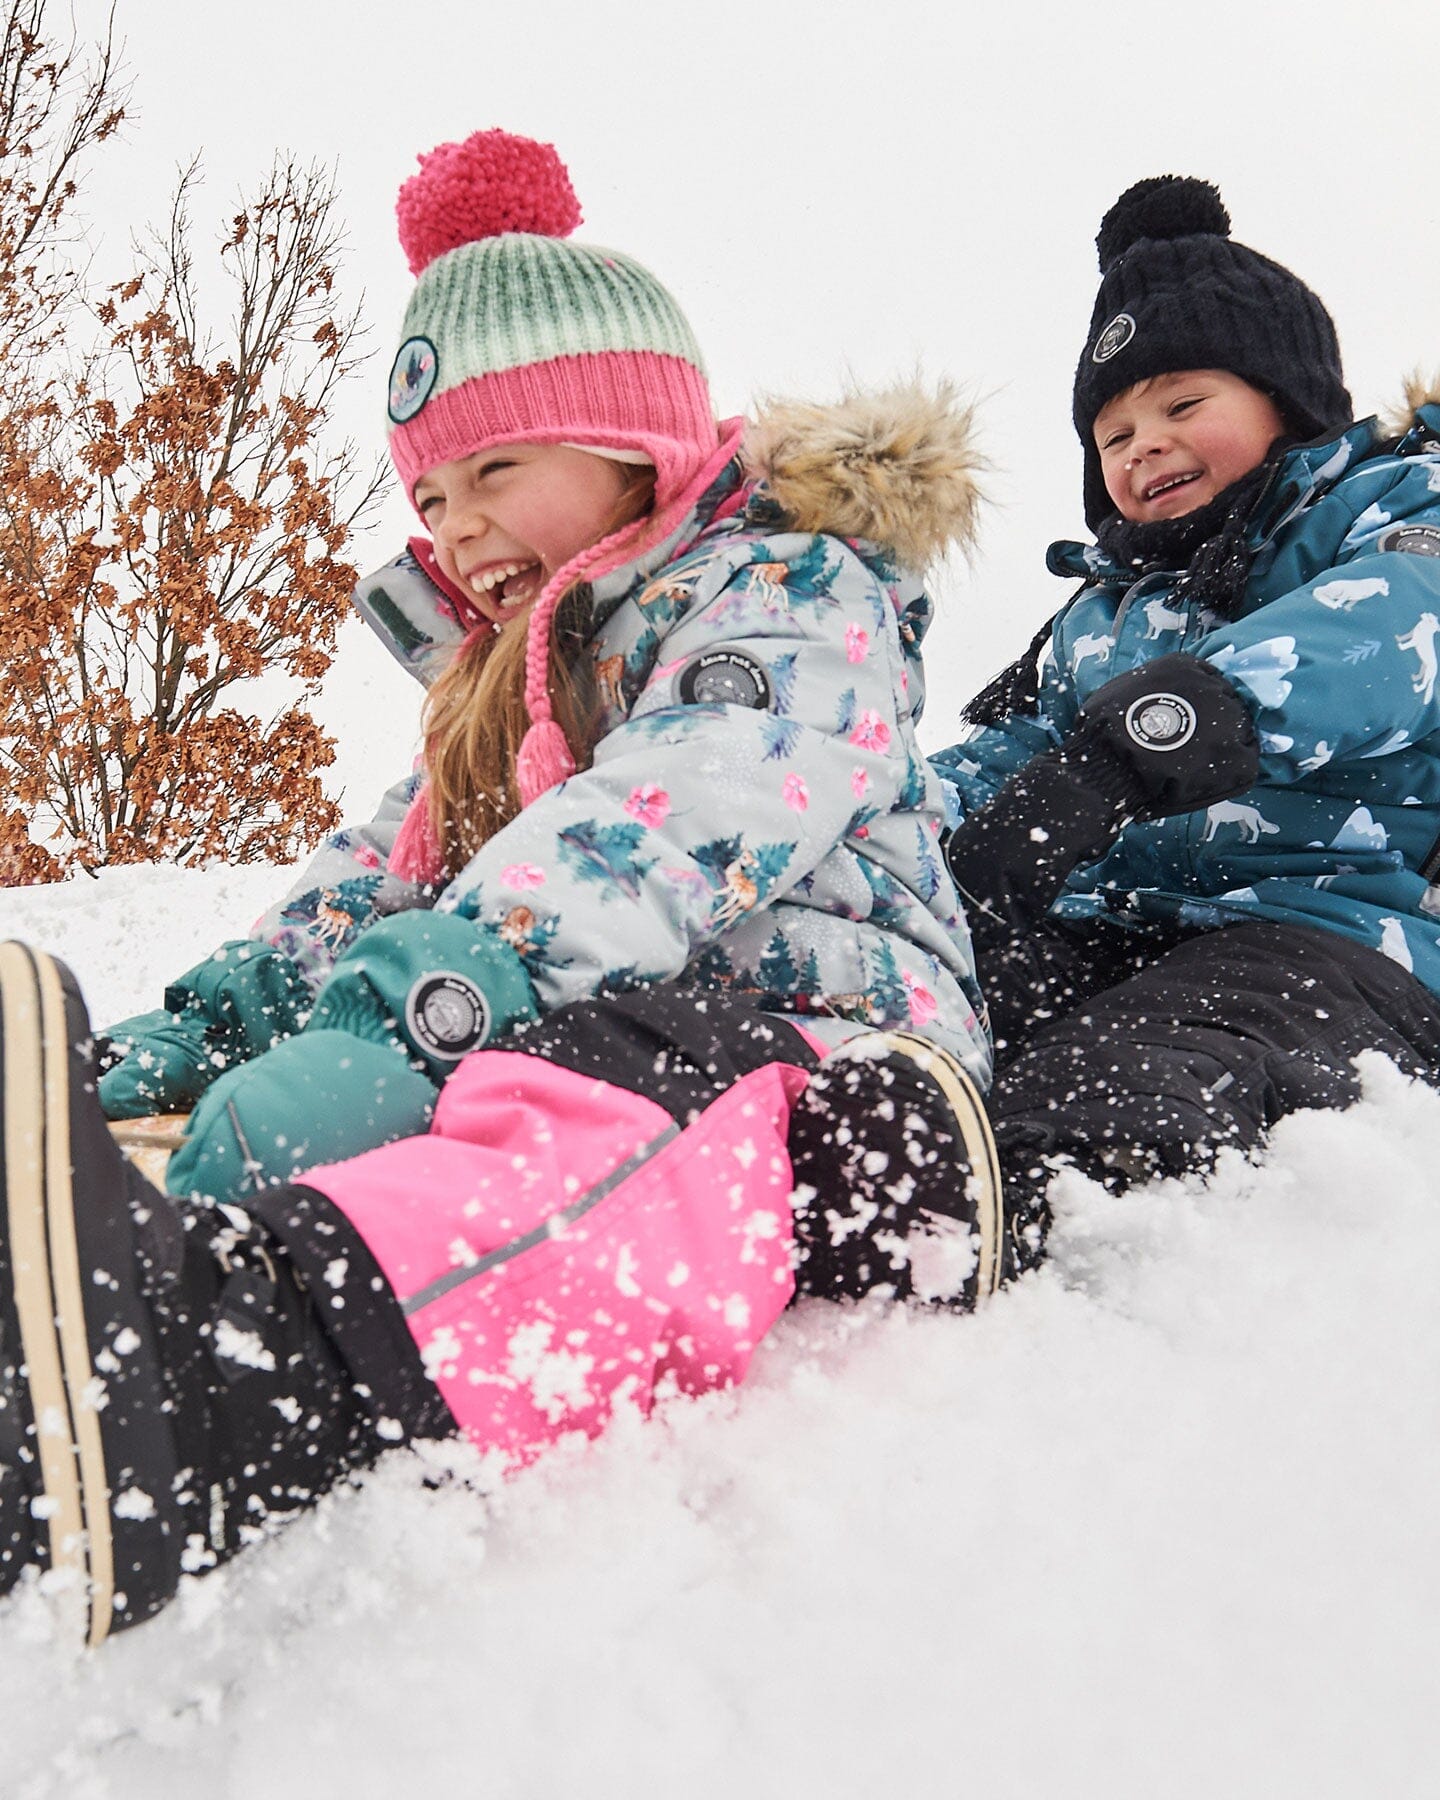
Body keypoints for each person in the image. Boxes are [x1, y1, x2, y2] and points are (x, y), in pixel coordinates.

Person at [1, 129, 1003, 1645]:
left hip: (834, 1061)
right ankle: (101, 1255)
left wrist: (421, 1010)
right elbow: (370, 880)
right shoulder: (503, 686)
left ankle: (201, 1384)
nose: (452, 527)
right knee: (410, 1095)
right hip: (581, 1025)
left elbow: (672, 819)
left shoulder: (792, 596)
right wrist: (214, 1020)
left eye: (492, 472)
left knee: (596, 1126)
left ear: (626, 444)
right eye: (430, 493)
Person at [932, 174, 1440, 1264]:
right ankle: (864, 1164)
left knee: (1139, 1065)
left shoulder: (1393, 513)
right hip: (1117, 930)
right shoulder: (1097, 617)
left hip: (1334, 940)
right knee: (957, 1007)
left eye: (1180, 404)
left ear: (1286, 399)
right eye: (1111, 433)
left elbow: (1391, 633)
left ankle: (1049, 1234)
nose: (1141, 445)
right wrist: (891, 818)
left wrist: (1147, 736)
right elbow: (1010, 752)